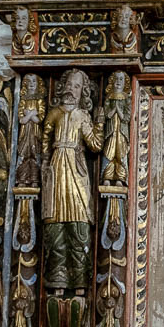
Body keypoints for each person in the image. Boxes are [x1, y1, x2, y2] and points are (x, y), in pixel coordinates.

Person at [40, 70, 104, 296]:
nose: (71, 89)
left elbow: (95, 145)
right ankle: (58, 279)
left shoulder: (83, 116)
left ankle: (79, 281)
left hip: (77, 171)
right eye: (69, 84)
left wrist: (99, 123)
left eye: (76, 86)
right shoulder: (54, 113)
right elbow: (45, 138)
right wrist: (45, 162)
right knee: (54, 222)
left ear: (82, 92)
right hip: (56, 168)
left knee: (80, 222)